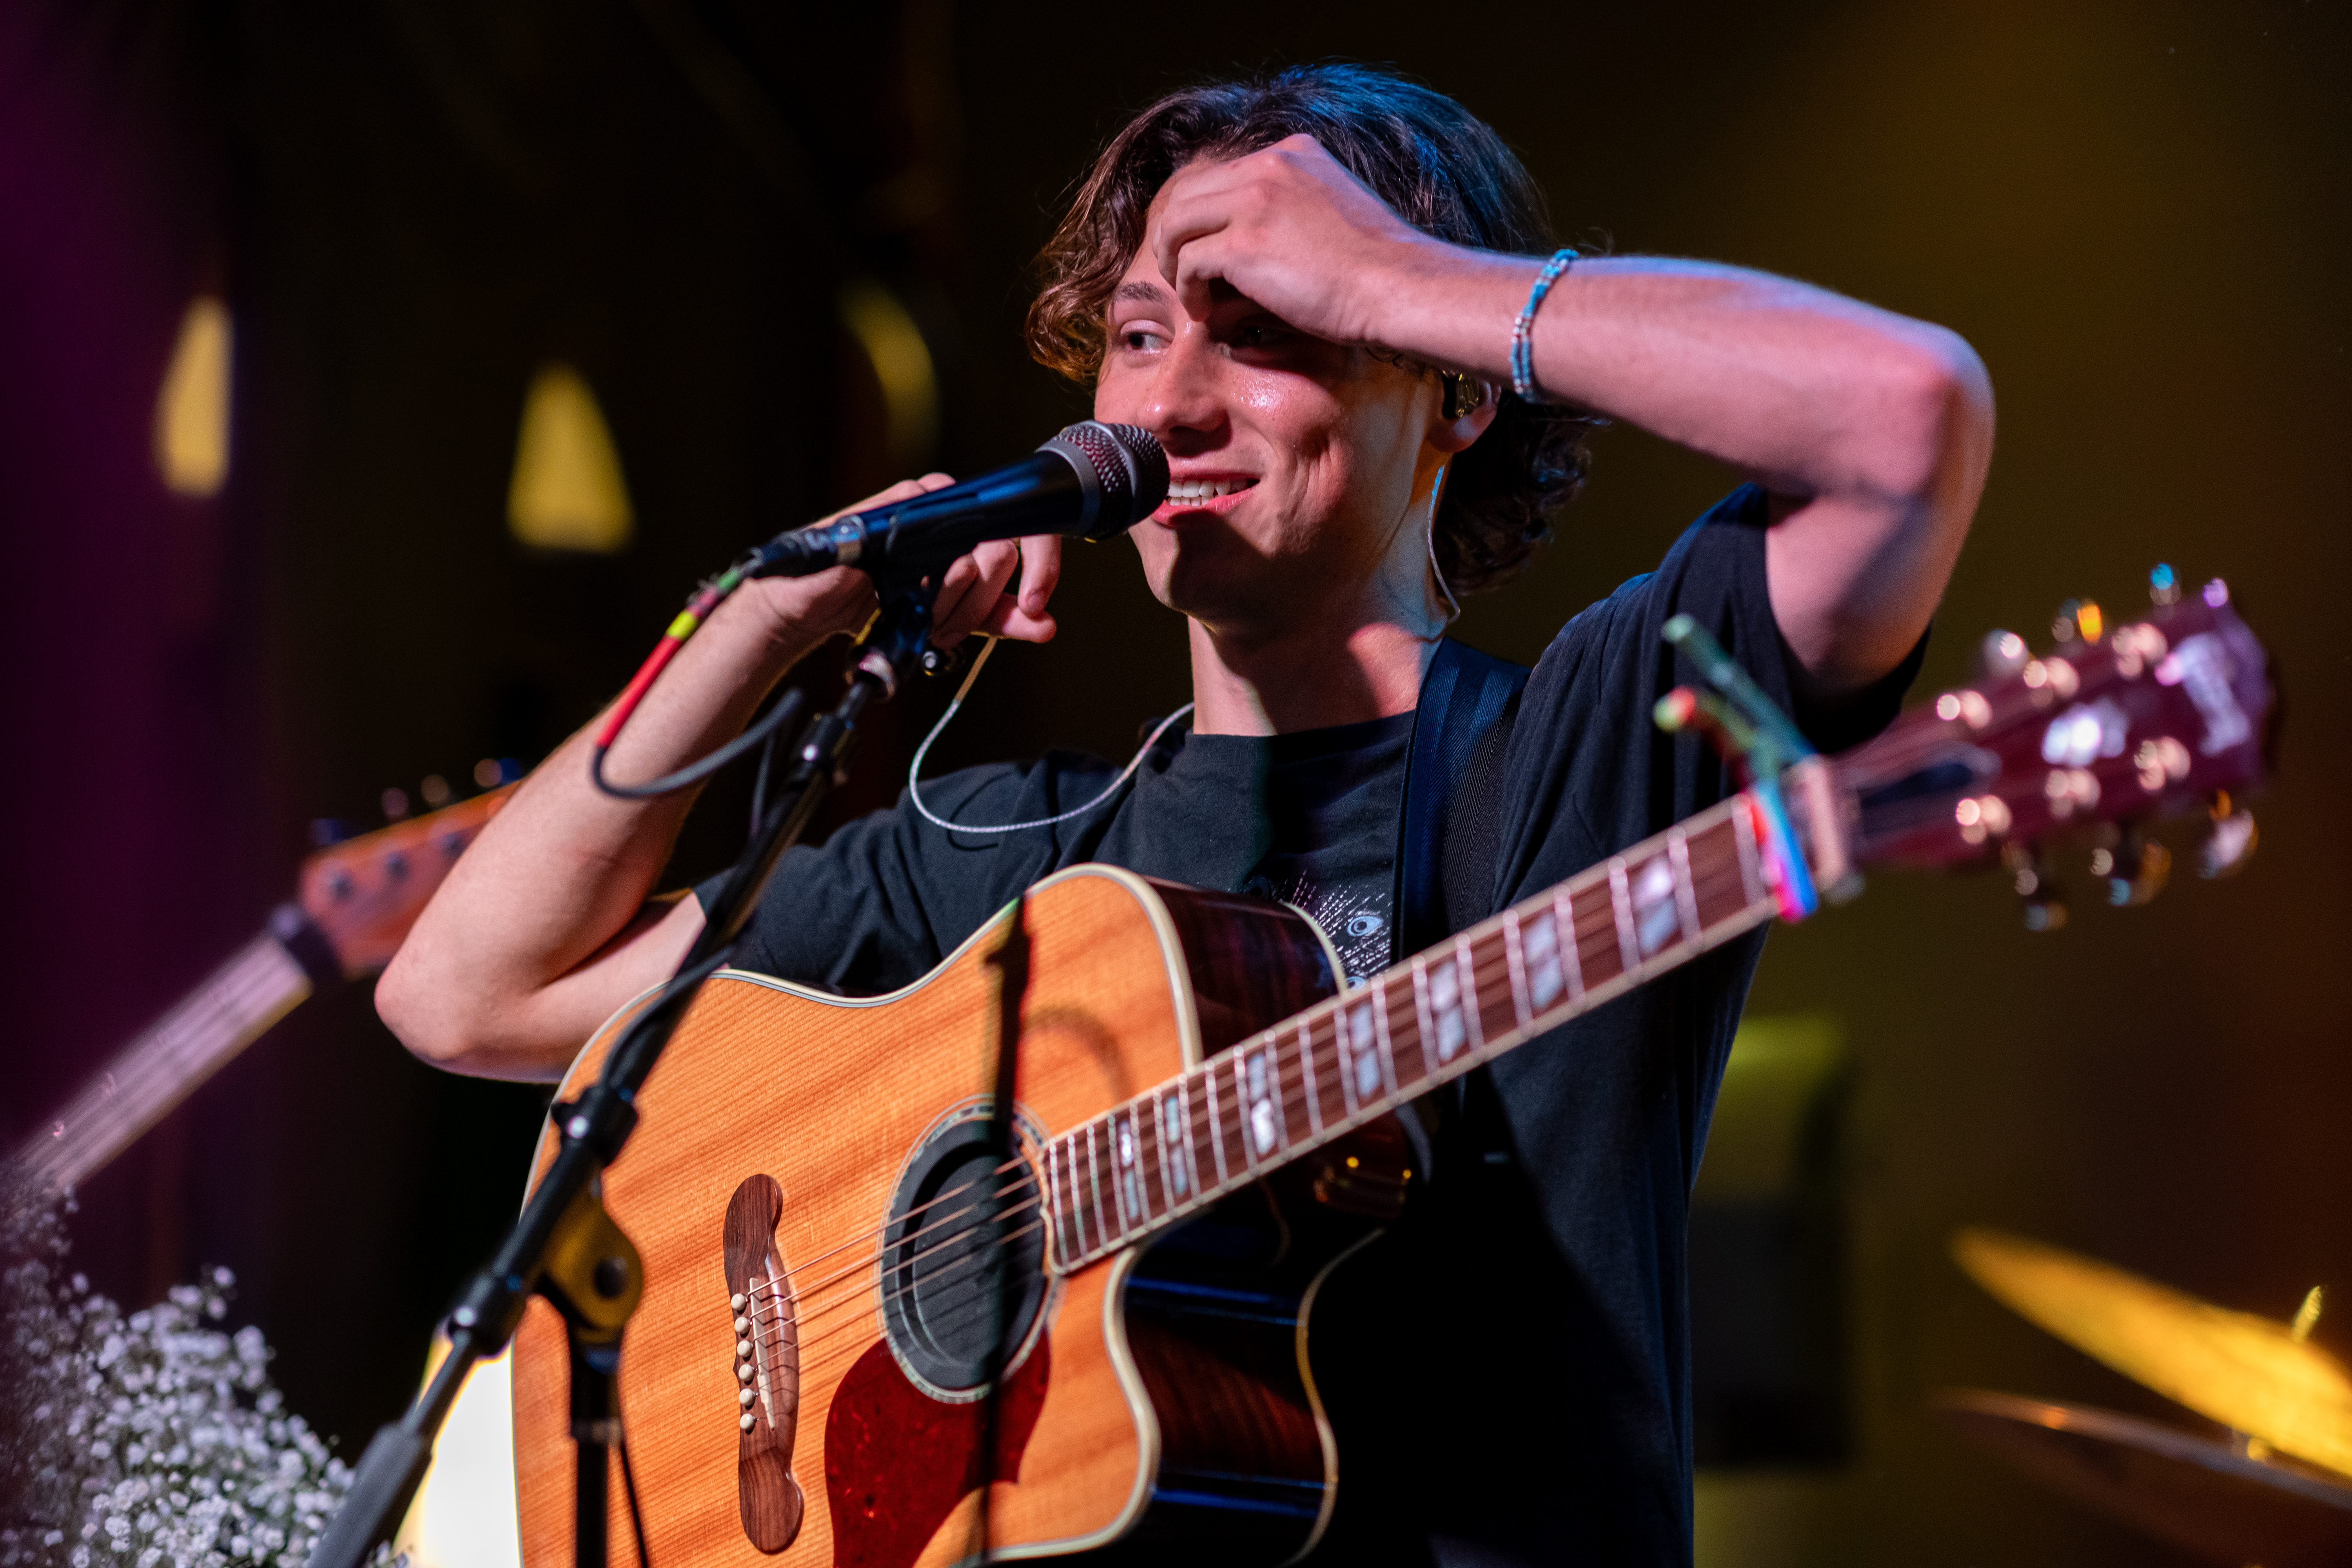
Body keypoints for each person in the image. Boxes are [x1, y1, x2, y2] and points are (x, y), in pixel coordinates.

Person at [381, 63, 1989, 1567]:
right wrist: (778, 605)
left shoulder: (1578, 753)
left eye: (1266, 325)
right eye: (1141, 336)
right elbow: (467, 992)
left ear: (1451, 394)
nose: (1172, 403)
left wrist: (1392, 284)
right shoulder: (1003, 856)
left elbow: (1907, 420)